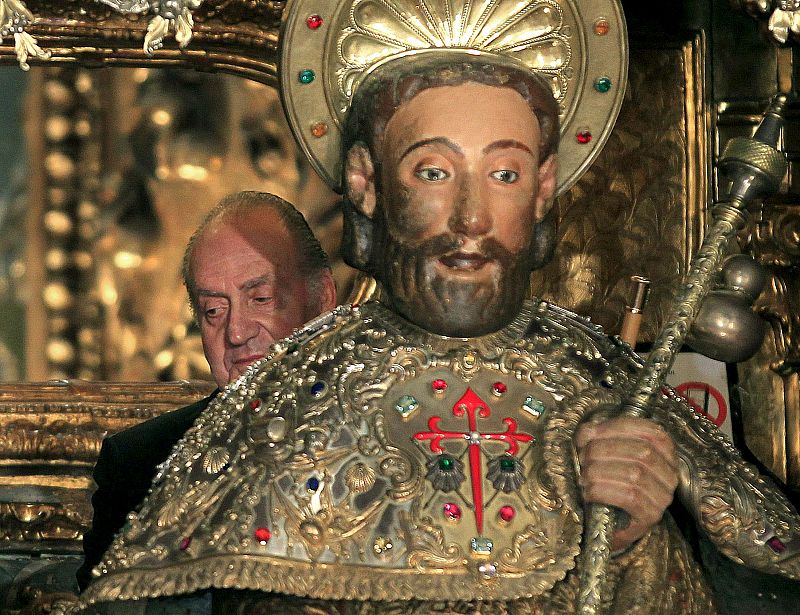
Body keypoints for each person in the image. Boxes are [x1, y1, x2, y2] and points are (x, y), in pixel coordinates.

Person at [67, 2, 800, 614]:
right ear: (366, 182)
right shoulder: (280, 405)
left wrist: (639, 544)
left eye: (504, 172)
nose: (472, 216)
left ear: (543, 188)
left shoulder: (612, 387)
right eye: (434, 171)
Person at [75, 191, 336, 591]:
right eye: (214, 311)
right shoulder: (140, 466)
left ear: (321, 299)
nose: (235, 332)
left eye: (260, 299)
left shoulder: (388, 437)